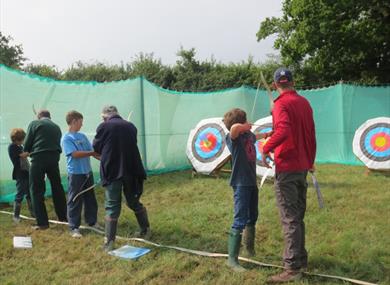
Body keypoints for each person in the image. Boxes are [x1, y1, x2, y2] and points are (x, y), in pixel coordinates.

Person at [261, 68, 316, 283]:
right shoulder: (304, 103)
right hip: (302, 165)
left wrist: (266, 148)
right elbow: (309, 133)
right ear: (293, 81)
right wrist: (310, 160)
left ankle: (292, 268)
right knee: (297, 215)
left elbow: (284, 131)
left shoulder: (281, 104)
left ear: (275, 85)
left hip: (288, 166)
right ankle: (301, 259)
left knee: (290, 217)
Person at [93, 105, 150, 251]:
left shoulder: (103, 127)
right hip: (131, 170)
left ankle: (109, 243)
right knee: (133, 201)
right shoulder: (131, 126)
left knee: (112, 206)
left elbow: (97, 148)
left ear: (105, 117)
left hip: (113, 171)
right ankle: (146, 230)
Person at [222, 108, 270, 272]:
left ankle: (249, 249)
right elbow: (234, 129)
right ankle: (232, 260)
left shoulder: (246, 136)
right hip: (240, 183)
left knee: (252, 216)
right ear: (241, 123)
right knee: (240, 218)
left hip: (251, 182)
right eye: (245, 121)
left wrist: (266, 135)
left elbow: (254, 137)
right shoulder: (233, 137)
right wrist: (242, 126)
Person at [24, 109, 68, 230]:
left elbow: (27, 143)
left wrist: (26, 150)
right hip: (54, 158)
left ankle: (42, 222)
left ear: (39, 116)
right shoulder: (56, 127)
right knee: (57, 187)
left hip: (39, 157)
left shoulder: (34, 123)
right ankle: (63, 217)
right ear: (49, 116)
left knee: (36, 189)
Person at [61, 111, 99, 238]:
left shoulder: (82, 136)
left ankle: (92, 222)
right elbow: (75, 154)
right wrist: (91, 153)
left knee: (90, 198)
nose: (82, 125)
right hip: (76, 174)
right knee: (75, 199)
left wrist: (105, 159)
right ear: (73, 122)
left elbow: (93, 151)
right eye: (80, 122)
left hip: (87, 172)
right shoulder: (67, 138)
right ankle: (74, 227)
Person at [8, 128, 35, 222]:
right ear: (17, 139)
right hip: (20, 173)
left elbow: (25, 152)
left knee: (29, 194)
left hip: (26, 172)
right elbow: (23, 155)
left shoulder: (19, 146)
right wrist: (31, 152)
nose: (23, 141)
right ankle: (16, 216)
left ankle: (33, 213)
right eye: (22, 139)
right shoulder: (12, 146)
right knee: (20, 194)